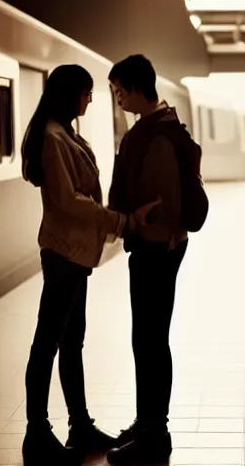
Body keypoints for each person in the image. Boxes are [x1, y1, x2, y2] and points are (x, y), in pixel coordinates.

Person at [20, 64, 159, 466]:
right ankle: (37, 432)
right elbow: (69, 200)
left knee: (69, 340)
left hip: (74, 254)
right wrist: (119, 220)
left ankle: (79, 425)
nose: (91, 99)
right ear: (70, 94)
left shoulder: (63, 134)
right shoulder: (53, 138)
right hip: (63, 253)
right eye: (86, 92)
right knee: (49, 341)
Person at [105, 54, 189, 465]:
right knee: (149, 339)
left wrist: (137, 225)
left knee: (150, 340)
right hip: (160, 246)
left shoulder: (153, 136)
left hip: (156, 248)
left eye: (119, 90)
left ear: (137, 87)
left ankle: (155, 432)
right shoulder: (160, 128)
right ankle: (148, 421)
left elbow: (163, 202)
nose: (117, 98)